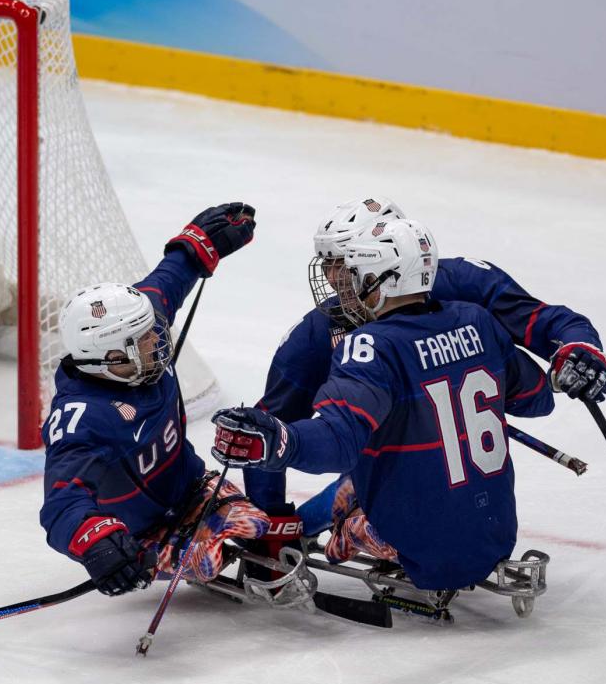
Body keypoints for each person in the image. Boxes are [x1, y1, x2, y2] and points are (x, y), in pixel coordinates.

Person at [212, 218, 555, 591]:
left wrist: (280, 441)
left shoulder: (370, 345)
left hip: (418, 547)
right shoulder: (478, 320)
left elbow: (338, 443)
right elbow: (537, 399)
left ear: (383, 279)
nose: (345, 286)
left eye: (356, 274)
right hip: (496, 535)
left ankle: (306, 530)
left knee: (360, 477)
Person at [244, 197, 606, 528]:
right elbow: (271, 422)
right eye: (326, 263)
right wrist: (271, 519)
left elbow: (546, 322)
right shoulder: (316, 334)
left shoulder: (463, 283)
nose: (329, 277)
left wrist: (579, 349)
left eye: (342, 263)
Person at [39, 202, 269, 597]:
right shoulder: (84, 418)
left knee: (254, 524)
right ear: (110, 358)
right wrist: (98, 545)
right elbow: (62, 503)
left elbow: (170, 279)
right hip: (140, 535)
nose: (157, 339)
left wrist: (199, 243)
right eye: (144, 340)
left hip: (193, 490)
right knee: (209, 560)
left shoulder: (139, 324)